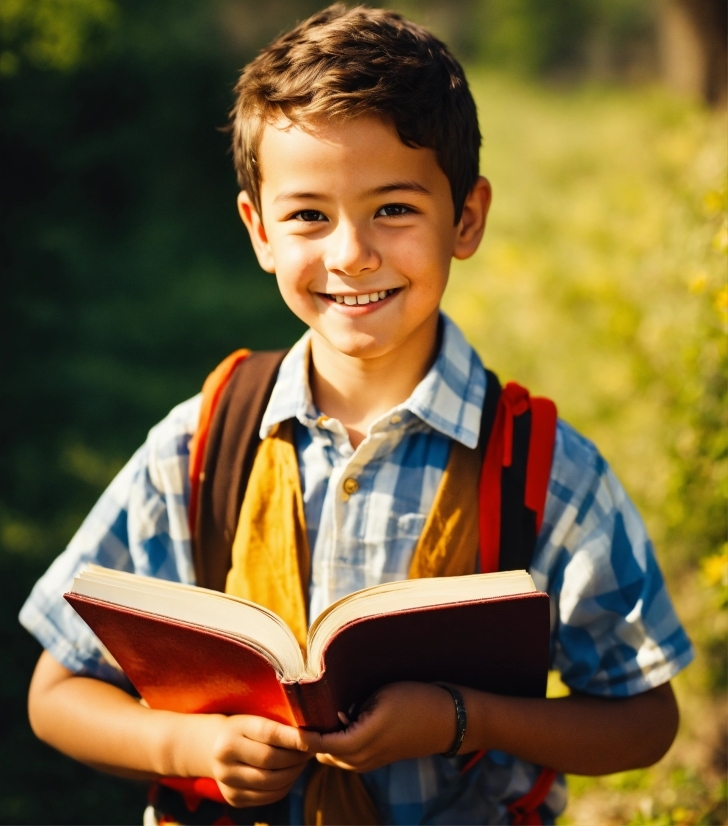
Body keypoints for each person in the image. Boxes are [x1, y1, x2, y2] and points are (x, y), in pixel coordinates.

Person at [20, 5, 694, 824]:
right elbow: (55, 694)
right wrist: (191, 748)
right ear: (258, 230)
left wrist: (460, 719)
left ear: (467, 218)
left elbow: (644, 721)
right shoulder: (199, 445)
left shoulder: (548, 473)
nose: (351, 254)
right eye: (309, 214)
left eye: (394, 209)